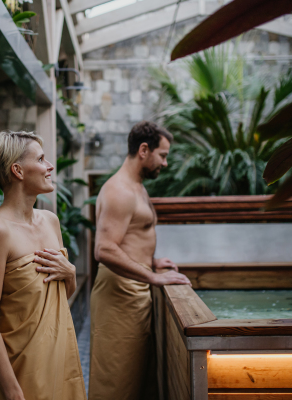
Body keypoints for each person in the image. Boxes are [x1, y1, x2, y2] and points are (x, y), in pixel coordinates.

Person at [0, 131, 87, 400]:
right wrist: (13, 392)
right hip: (15, 371)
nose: (50, 166)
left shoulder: (51, 221)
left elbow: (59, 295)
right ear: (18, 170)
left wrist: (70, 273)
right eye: (42, 159)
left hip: (57, 360)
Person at [89, 121, 191, 400]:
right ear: (144, 150)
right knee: (116, 382)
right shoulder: (119, 190)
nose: (166, 163)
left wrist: (152, 261)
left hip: (134, 289)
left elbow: (130, 237)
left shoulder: (136, 187)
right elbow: (105, 250)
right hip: (119, 293)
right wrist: (154, 277)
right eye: (163, 155)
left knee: (136, 379)